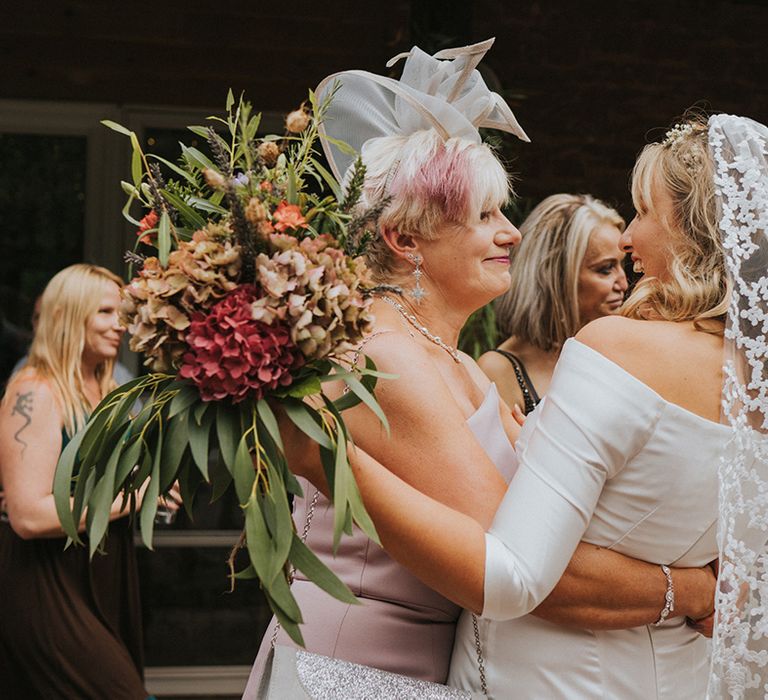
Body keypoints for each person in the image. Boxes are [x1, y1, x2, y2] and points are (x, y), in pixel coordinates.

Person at [245, 42, 718, 695]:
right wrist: (690, 587)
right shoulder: (386, 359)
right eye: (484, 216)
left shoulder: (458, 365)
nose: (512, 234)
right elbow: (516, 558)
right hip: (356, 673)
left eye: (504, 212)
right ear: (404, 239)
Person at [0, 263, 177, 699]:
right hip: (46, 582)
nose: (120, 324)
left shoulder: (107, 389)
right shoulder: (34, 391)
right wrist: (137, 495)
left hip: (103, 572)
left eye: (121, 312)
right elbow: (27, 516)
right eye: (104, 312)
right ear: (69, 315)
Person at [480, 194, 627, 413]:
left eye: (622, 265)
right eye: (605, 269)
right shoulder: (500, 371)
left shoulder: (621, 350)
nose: (623, 283)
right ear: (556, 277)